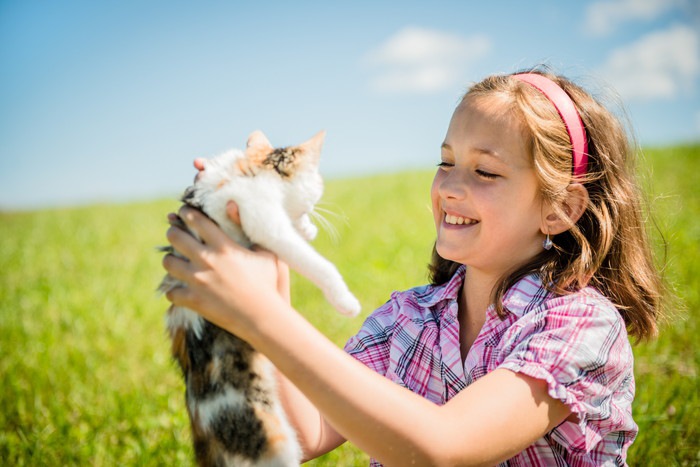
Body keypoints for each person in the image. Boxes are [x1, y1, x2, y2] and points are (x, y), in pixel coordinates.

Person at [162, 69, 664, 465]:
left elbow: (443, 448)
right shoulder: (406, 319)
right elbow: (307, 430)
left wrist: (261, 317)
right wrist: (260, 247)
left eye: (484, 171)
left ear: (559, 208)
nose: (449, 186)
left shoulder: (581, 325)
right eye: (445, 162)